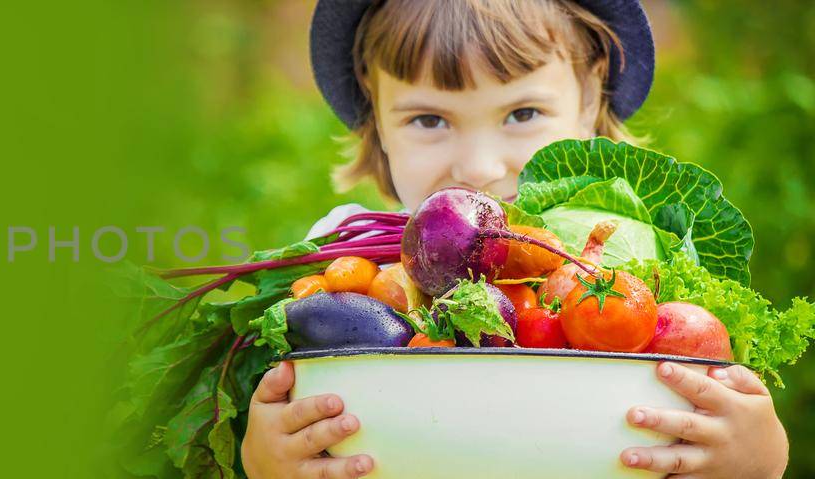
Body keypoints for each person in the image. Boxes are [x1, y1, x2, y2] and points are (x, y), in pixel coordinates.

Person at [238, 1, 790, 478]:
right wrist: (267, 461)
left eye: (522, 113)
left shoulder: (646, 271)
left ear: (591, 97)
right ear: (376, 115)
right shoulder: (340, 257)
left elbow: (705, 419)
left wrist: (758, 460)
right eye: (429, 120)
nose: (478, 168)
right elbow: (295, 420)